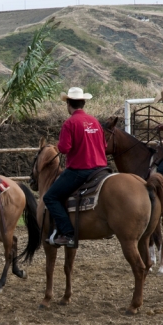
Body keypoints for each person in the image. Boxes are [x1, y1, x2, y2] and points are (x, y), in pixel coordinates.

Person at [44, 87, 108, 248]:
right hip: (101, 169)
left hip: (80, 170)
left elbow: (64, 148)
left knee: (50, 197)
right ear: (83, 103)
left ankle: (68, 234)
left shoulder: (70, 123)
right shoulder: (94, 121)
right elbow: (105, 145)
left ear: (68, 104)